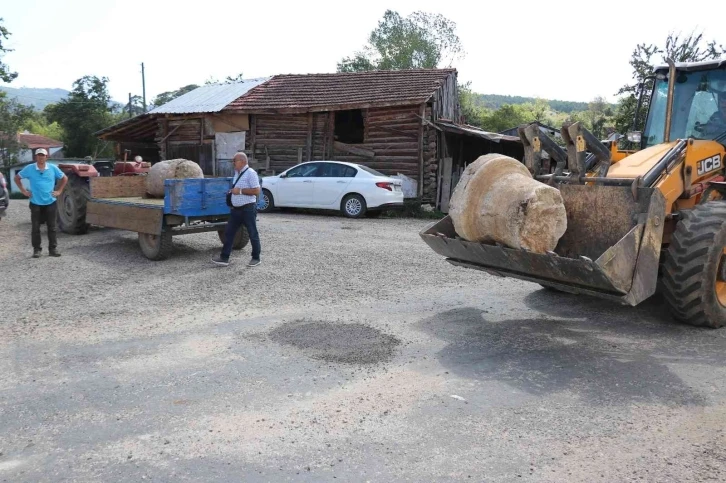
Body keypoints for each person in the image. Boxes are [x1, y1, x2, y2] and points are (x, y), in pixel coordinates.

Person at [14, 148, 68, 258]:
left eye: (43, 155)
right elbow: (17, 178)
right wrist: (24, 191)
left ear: (46, 157)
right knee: (35, 227)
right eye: (39, 155)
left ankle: (53, 249)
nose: (41, 157)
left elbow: (64, 178)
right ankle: (36, 250)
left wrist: (59, 191)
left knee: (52, 227)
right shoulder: (29, 168)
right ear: (36, 157)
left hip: (50, 202)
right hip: (35, 203)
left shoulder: (53, 168)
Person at [212, 152, 261, 267]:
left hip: (248, 209)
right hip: (236, 210)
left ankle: (256, 258)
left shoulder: (250, 173)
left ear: (243, 161)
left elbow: (256, 191)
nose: (233, 163)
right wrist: (232, 192)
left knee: (252, 233)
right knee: (229, 233)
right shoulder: (237, 173)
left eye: (235, 160)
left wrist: (239, 191)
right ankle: (224, 258)